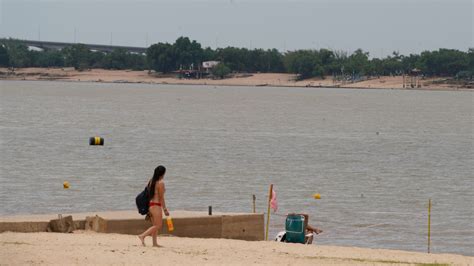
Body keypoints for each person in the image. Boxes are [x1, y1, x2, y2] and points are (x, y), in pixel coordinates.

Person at [138, 165, 169, 247]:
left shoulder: (151, 181)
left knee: (154, 225)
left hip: (150, 205)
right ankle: (142, 235)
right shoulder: (161, 183)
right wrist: (165, 209)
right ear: (163, 173)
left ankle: (154, 243)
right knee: (158, 225)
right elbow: (161, 197)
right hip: (156, 205)